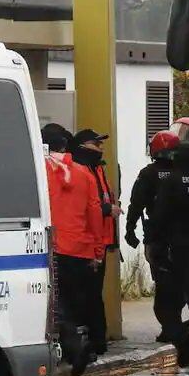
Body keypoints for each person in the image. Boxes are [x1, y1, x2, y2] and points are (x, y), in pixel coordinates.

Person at [41, 122, 100, 376]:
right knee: (73, 304)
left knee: (57, 306)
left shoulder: (41, 170)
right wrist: (97, 250)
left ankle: (74, 348)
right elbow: (94, 212)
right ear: (66, 145)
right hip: (80, 249)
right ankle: (78, 343)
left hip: (52, 249)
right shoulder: (84, 173)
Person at [149, 136, 189, 368]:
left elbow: (158, 217)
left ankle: (181, 340)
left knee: (166, 306)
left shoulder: (171, 182)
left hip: (173, 254)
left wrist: (152, 244)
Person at [126, 130, 181, 343]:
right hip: (187, 238)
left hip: (158, 238)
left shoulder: (148, 174)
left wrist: (129, 229)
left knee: (163, 283)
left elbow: (136, 203)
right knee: (182, 282)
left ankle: (170, 326)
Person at [71, 128, 121, 355]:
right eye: (96, 143)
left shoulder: (98, 169)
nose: (100, 148)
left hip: (100, 242)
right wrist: (106, 209)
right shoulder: (79, 171)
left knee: (93, 295)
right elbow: (84, 207)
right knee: (86, 297)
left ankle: (97, 340)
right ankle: (89, 341)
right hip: (85, 245)